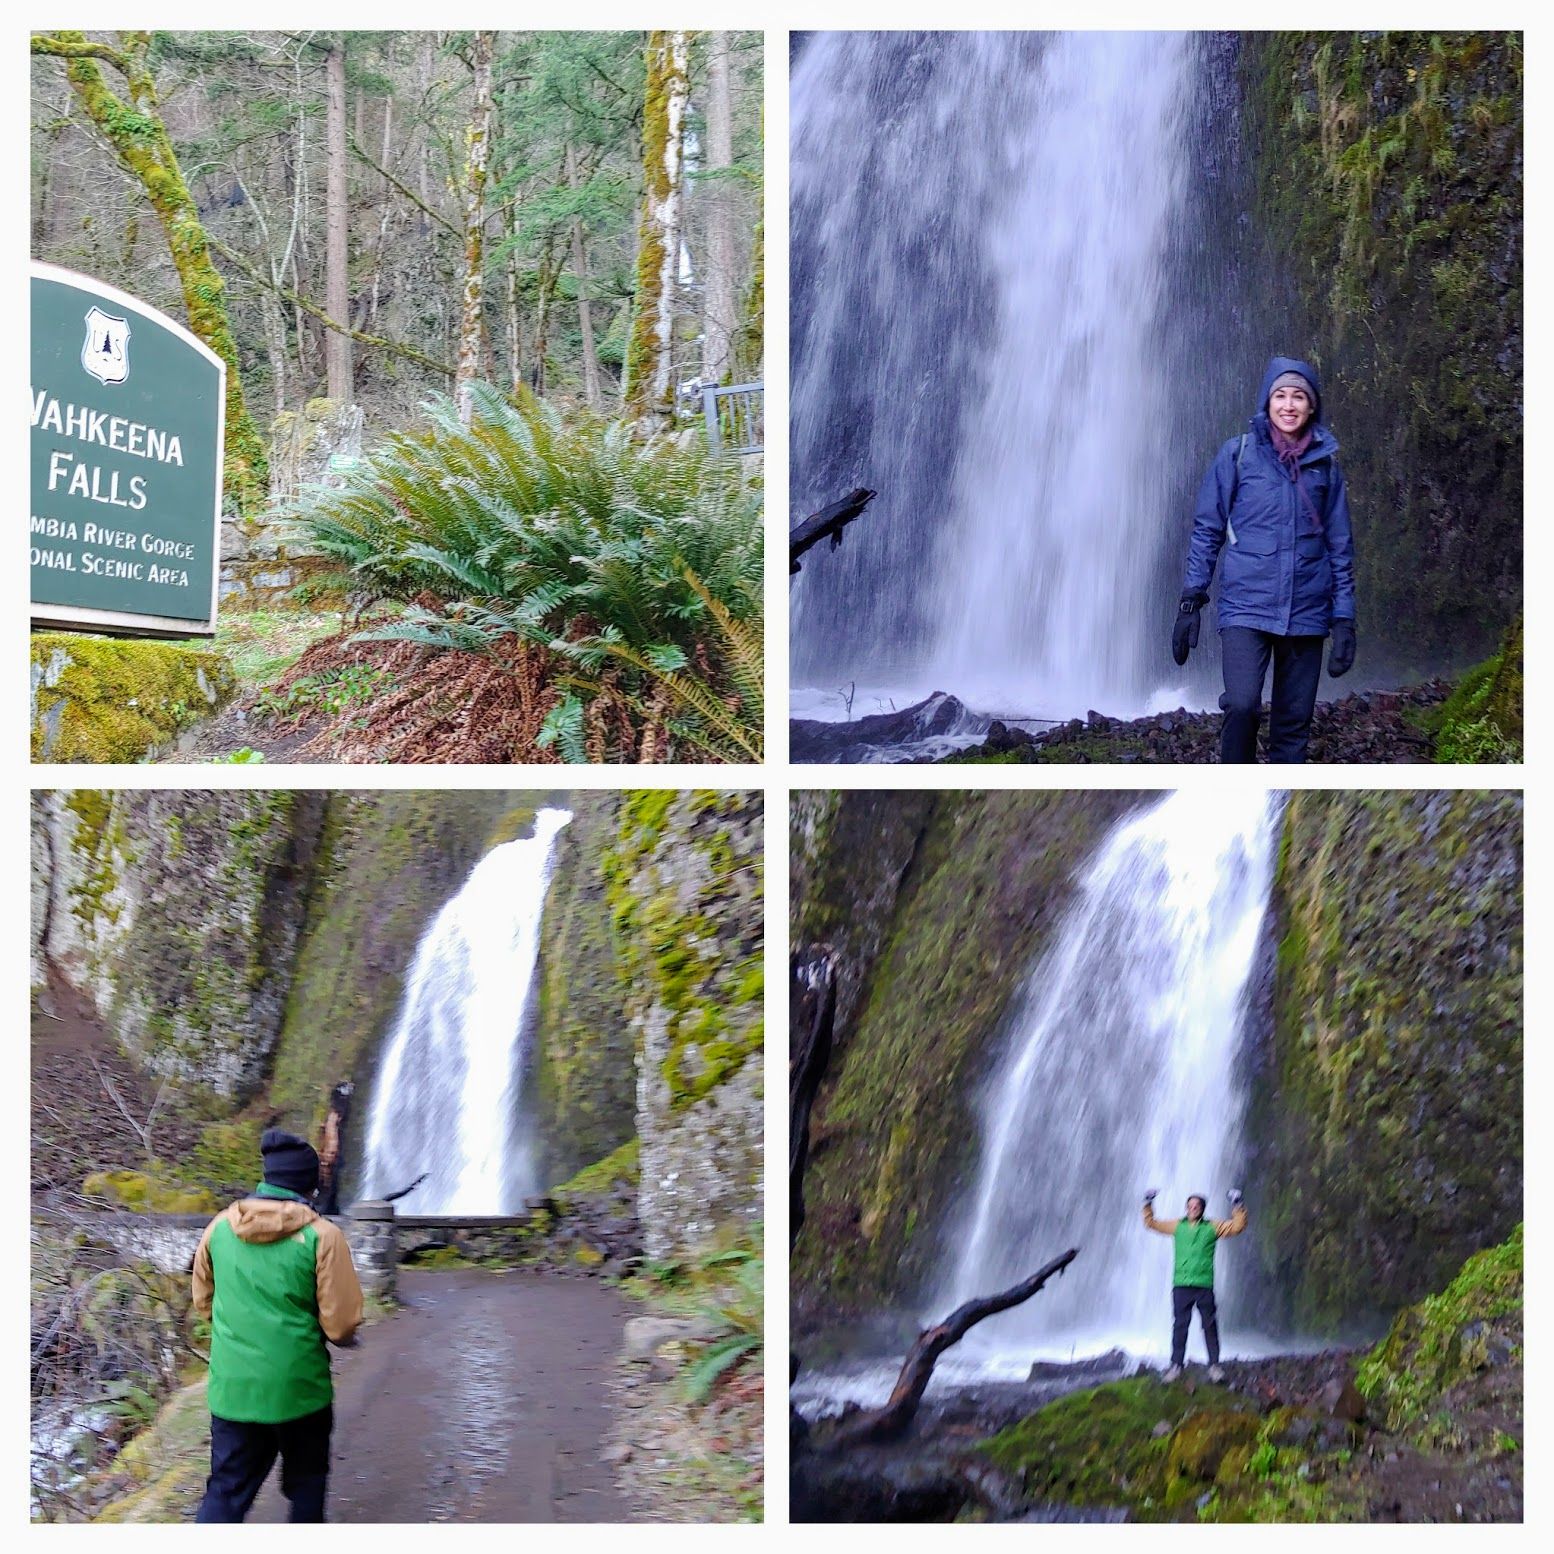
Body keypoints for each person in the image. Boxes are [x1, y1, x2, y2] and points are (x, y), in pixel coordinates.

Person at [1173, 357, 1357, 763]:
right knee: (1241, 705)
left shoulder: (1326, 467)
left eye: (1298, 397)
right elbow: (1208, 529)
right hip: (1245, 606)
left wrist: (1343, 618)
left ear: (1312, 407)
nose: (1288, 405)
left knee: (1293, 725)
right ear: (1266, 401)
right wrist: (1192, 598)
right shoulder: (1237, 455)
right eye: (1280, 395)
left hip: (1307, 610)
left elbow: (1340, 546)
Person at [192, 1128, 363, 1522]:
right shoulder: (323, 1236)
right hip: (299, 1390)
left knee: (226, 1490)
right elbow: (341, 1325)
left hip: (234, 1389)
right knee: (307, 1482)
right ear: (309, 1186)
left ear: (266, 1179)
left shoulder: (219, 1228)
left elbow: (204, 1302)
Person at [1142, 1187, 1248, 1382]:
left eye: (1197, 1206)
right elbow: (1151, 1224)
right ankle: (1176, 1366)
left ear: (1202, 1209)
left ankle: (1215, 1366)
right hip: (1181, 1285)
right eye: (1190, 1206)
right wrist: (1148, 1203)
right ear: (1186, 1208)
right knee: (1180, 1326)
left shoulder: (1211, 1227)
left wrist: (1237, 1205)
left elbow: (1237, 1227)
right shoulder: (1177, 1226)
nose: (1193, 1209)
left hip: (1203, 1285)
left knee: (1209, 1325)